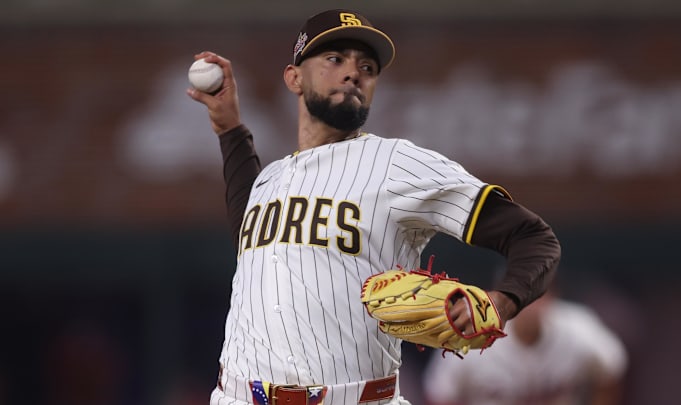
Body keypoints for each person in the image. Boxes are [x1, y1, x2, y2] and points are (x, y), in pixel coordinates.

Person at [187, 9, 562, 405]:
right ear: (294, 78)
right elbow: (250, 247)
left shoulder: (396, 164)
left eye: (366, 66)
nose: (353, 73)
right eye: (335, 60)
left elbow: (534, 237)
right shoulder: (270, 179)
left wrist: (500, 303)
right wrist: (229, 130)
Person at [422, 287, 628, 405]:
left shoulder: (577, 328)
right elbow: (440, 395)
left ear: (551, 297)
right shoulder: (471, 335)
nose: (529, 306)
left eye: (537, 295)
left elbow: (611, 370)